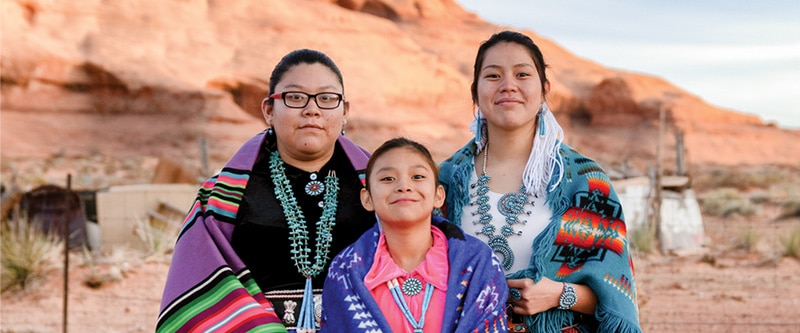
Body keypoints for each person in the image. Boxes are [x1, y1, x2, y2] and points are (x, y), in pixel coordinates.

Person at [157, 49, 377, 333]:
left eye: (326, 98)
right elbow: (196, 280)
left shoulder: (379, 187)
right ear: (269, 110)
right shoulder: (222, 196)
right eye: (295, 97)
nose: (312, 109)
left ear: (344, 111)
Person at [438, 31, 642, 333]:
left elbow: (617, 296)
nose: (508, 86)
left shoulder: (585, 183)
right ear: (475, 91)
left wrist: (561, 294)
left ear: (544, 89)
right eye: (493, 76)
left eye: (522, 74)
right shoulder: (444, 180)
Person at [319, 137, 509, 332]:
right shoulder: (345, 272)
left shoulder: (478, 264)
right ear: (367, 199)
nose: (404, 186)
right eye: (387, 178)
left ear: (438, 195)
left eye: (417, 177)